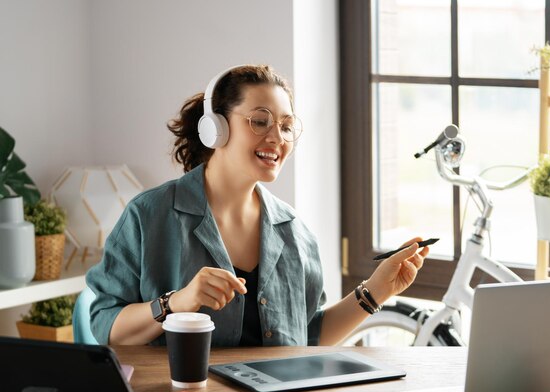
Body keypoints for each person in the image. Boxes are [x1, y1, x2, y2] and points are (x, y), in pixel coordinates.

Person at [87, 64, 429, 346]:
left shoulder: (295, 233)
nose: (277, 138)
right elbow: (105, 326)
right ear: (216, 128)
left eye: (286, 126)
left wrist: (377, 290)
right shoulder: (149, 216)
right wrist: (176, 303)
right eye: (260, 121)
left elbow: (307, 337)